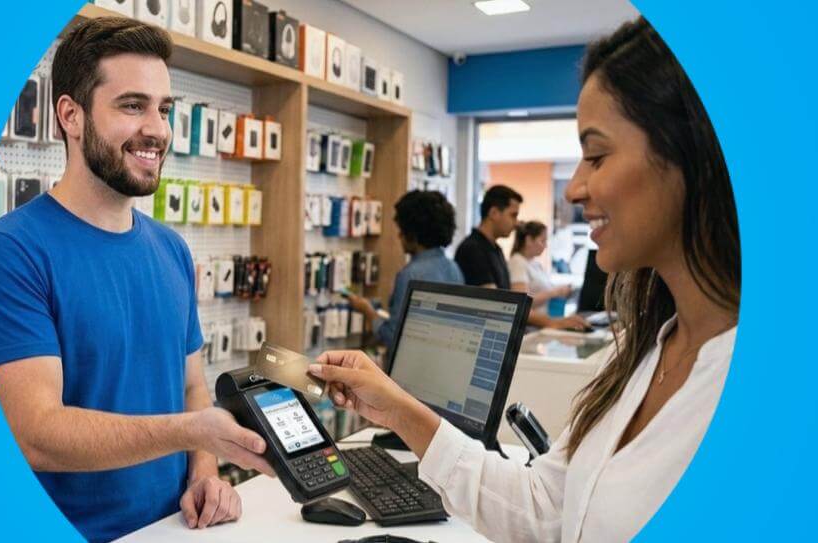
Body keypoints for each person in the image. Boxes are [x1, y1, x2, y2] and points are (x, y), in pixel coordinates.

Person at [309, 16, 740, 543]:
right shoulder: (645, 356)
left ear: (691, 154)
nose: (573, 189)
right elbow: (545, 509)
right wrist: (396, 408)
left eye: (597, 155)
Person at [0, 18, 273, 542]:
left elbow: (191, 387)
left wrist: (205, 471)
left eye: (164, 109)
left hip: (175, 528)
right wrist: (194, 432)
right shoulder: (11, 251)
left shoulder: (173, 250)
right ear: (70, 114)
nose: (157, 129)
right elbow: (36, 434)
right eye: (132, 106)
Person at [454, 185, 589, 330]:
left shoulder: (495, 249)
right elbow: (496, 305)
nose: (517, 222)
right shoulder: (473, 249)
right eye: (513, 215)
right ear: (493, 213)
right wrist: (551, 322)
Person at [345, 190, 464, 354]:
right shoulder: (453, 268)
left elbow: (394, 337)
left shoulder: (410, 275)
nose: (399, 236)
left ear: (413, 233)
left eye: (401, 230)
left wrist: (368, 311)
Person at [508, 221, 573, 313]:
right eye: (543, 241)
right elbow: (522, 302)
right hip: (531, 325)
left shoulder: (535, 263)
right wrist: (555, 292)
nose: (545, 246)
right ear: (529, 240)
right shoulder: (518, 262)